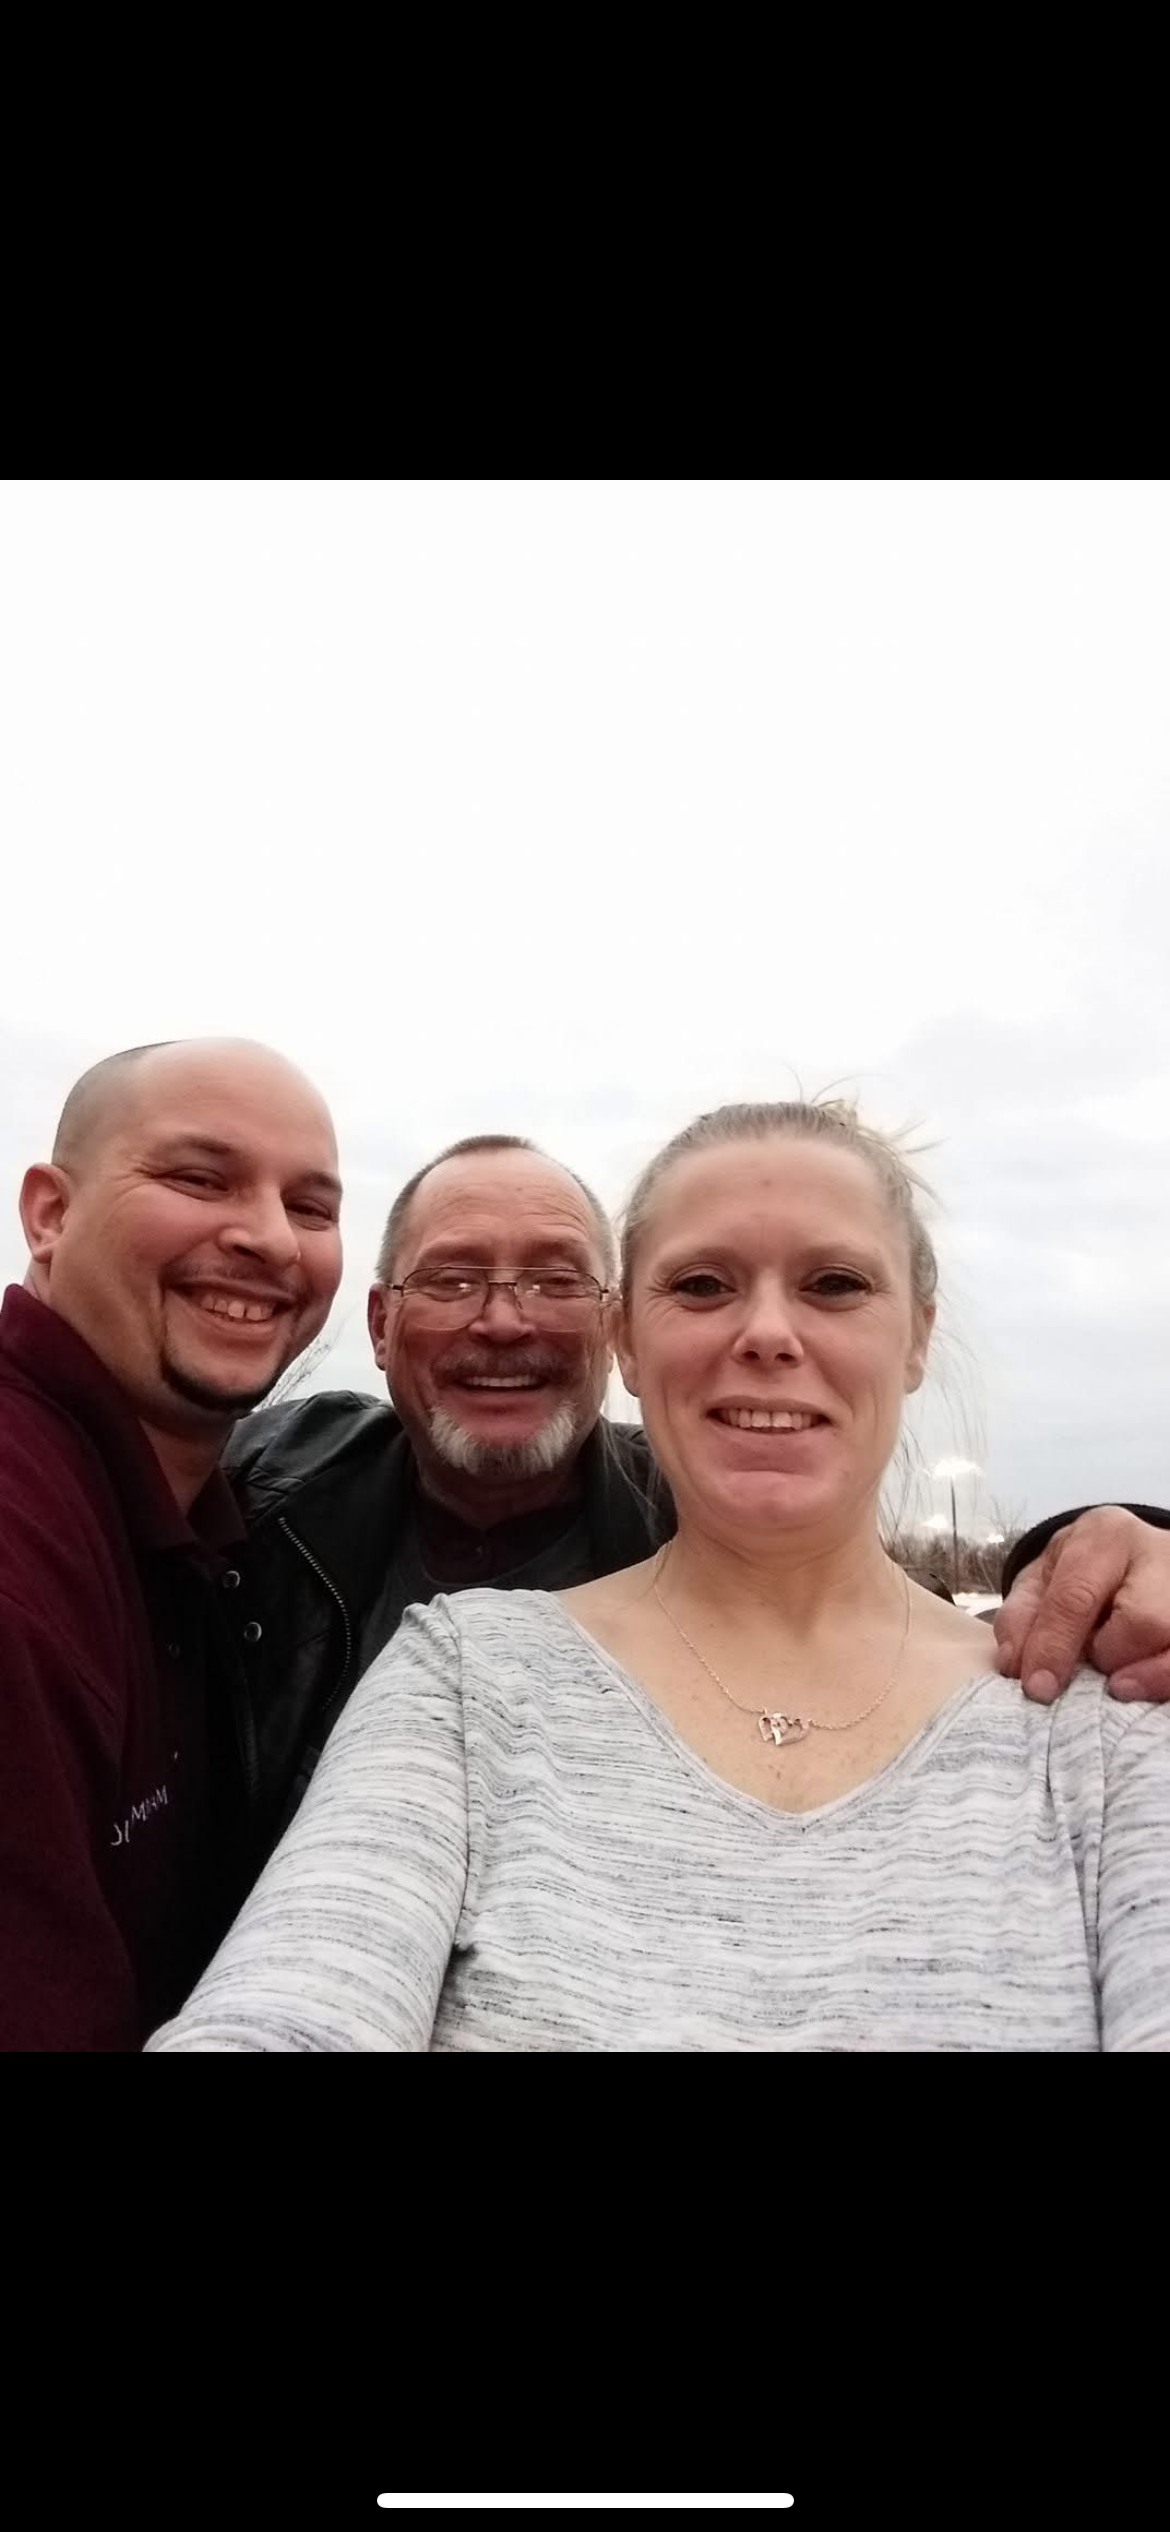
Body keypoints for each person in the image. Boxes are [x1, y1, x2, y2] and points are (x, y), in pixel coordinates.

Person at [148, 1098, 1170, 2051]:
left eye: (836, 1283)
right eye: (702, 1284)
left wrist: (1100, 1545)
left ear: (918, 1334)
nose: (767, 1333)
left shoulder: (1101, 1721)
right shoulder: (422, 1646)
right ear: (634, 1337)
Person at [0, 1039, 343, 2051]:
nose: (273, 1239)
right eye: (201, 1179)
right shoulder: (21, 1570)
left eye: (312, 1206)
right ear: (49, 1213)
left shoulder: (187, 1520)